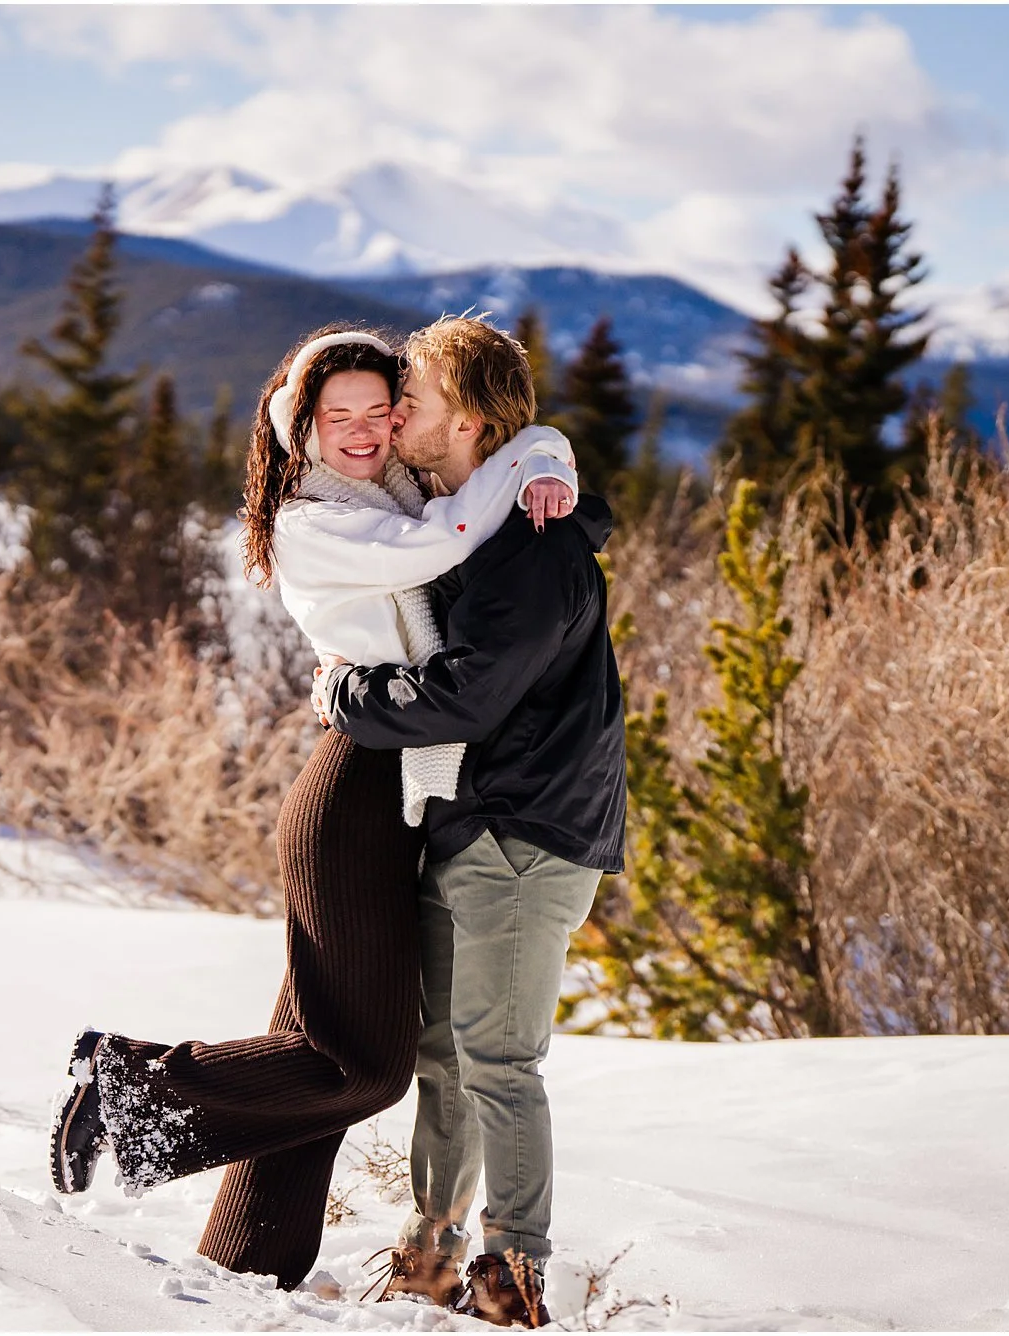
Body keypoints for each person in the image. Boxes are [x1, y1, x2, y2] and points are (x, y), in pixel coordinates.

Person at [48, 324, 579, 1294]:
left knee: (308, 1050)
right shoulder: (316, 517)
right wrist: (530, 461)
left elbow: (492, 448)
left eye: (383, 408)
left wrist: (544, 453)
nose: (366, 429)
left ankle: (248, 1258)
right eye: (340, 416)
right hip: (354, 793)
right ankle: (126, 1085)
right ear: (300, 428)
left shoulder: (395, 487)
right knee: (362, 1066)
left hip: (397, 789)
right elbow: (451, 536)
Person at [316, 316, 627, 1328]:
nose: (395, 411)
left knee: (498, 1060)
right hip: (471, 824)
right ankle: (429, 1258)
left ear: (471, 421)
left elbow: (465, 695)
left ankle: (510, 1275)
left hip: (525, 834)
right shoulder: (476, 521)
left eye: (413, 397)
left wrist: (346, 694)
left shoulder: (532, 547)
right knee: (442, 1060)